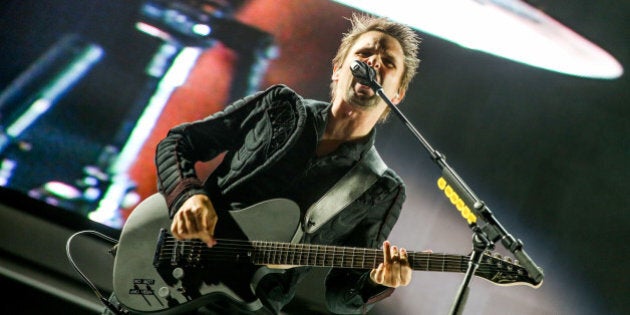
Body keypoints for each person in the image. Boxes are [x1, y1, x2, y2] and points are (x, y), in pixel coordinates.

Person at [105, 12, 421, 315]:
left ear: (398, 93)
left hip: (242, 306)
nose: (373, 61)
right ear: (338, 69)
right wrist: (187, 196)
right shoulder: (279, 107)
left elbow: (341, 297)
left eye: (388, 62)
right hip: (170, 272)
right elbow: (180, 142)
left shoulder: (382, 188)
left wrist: (377, 283)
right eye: (365, 52)